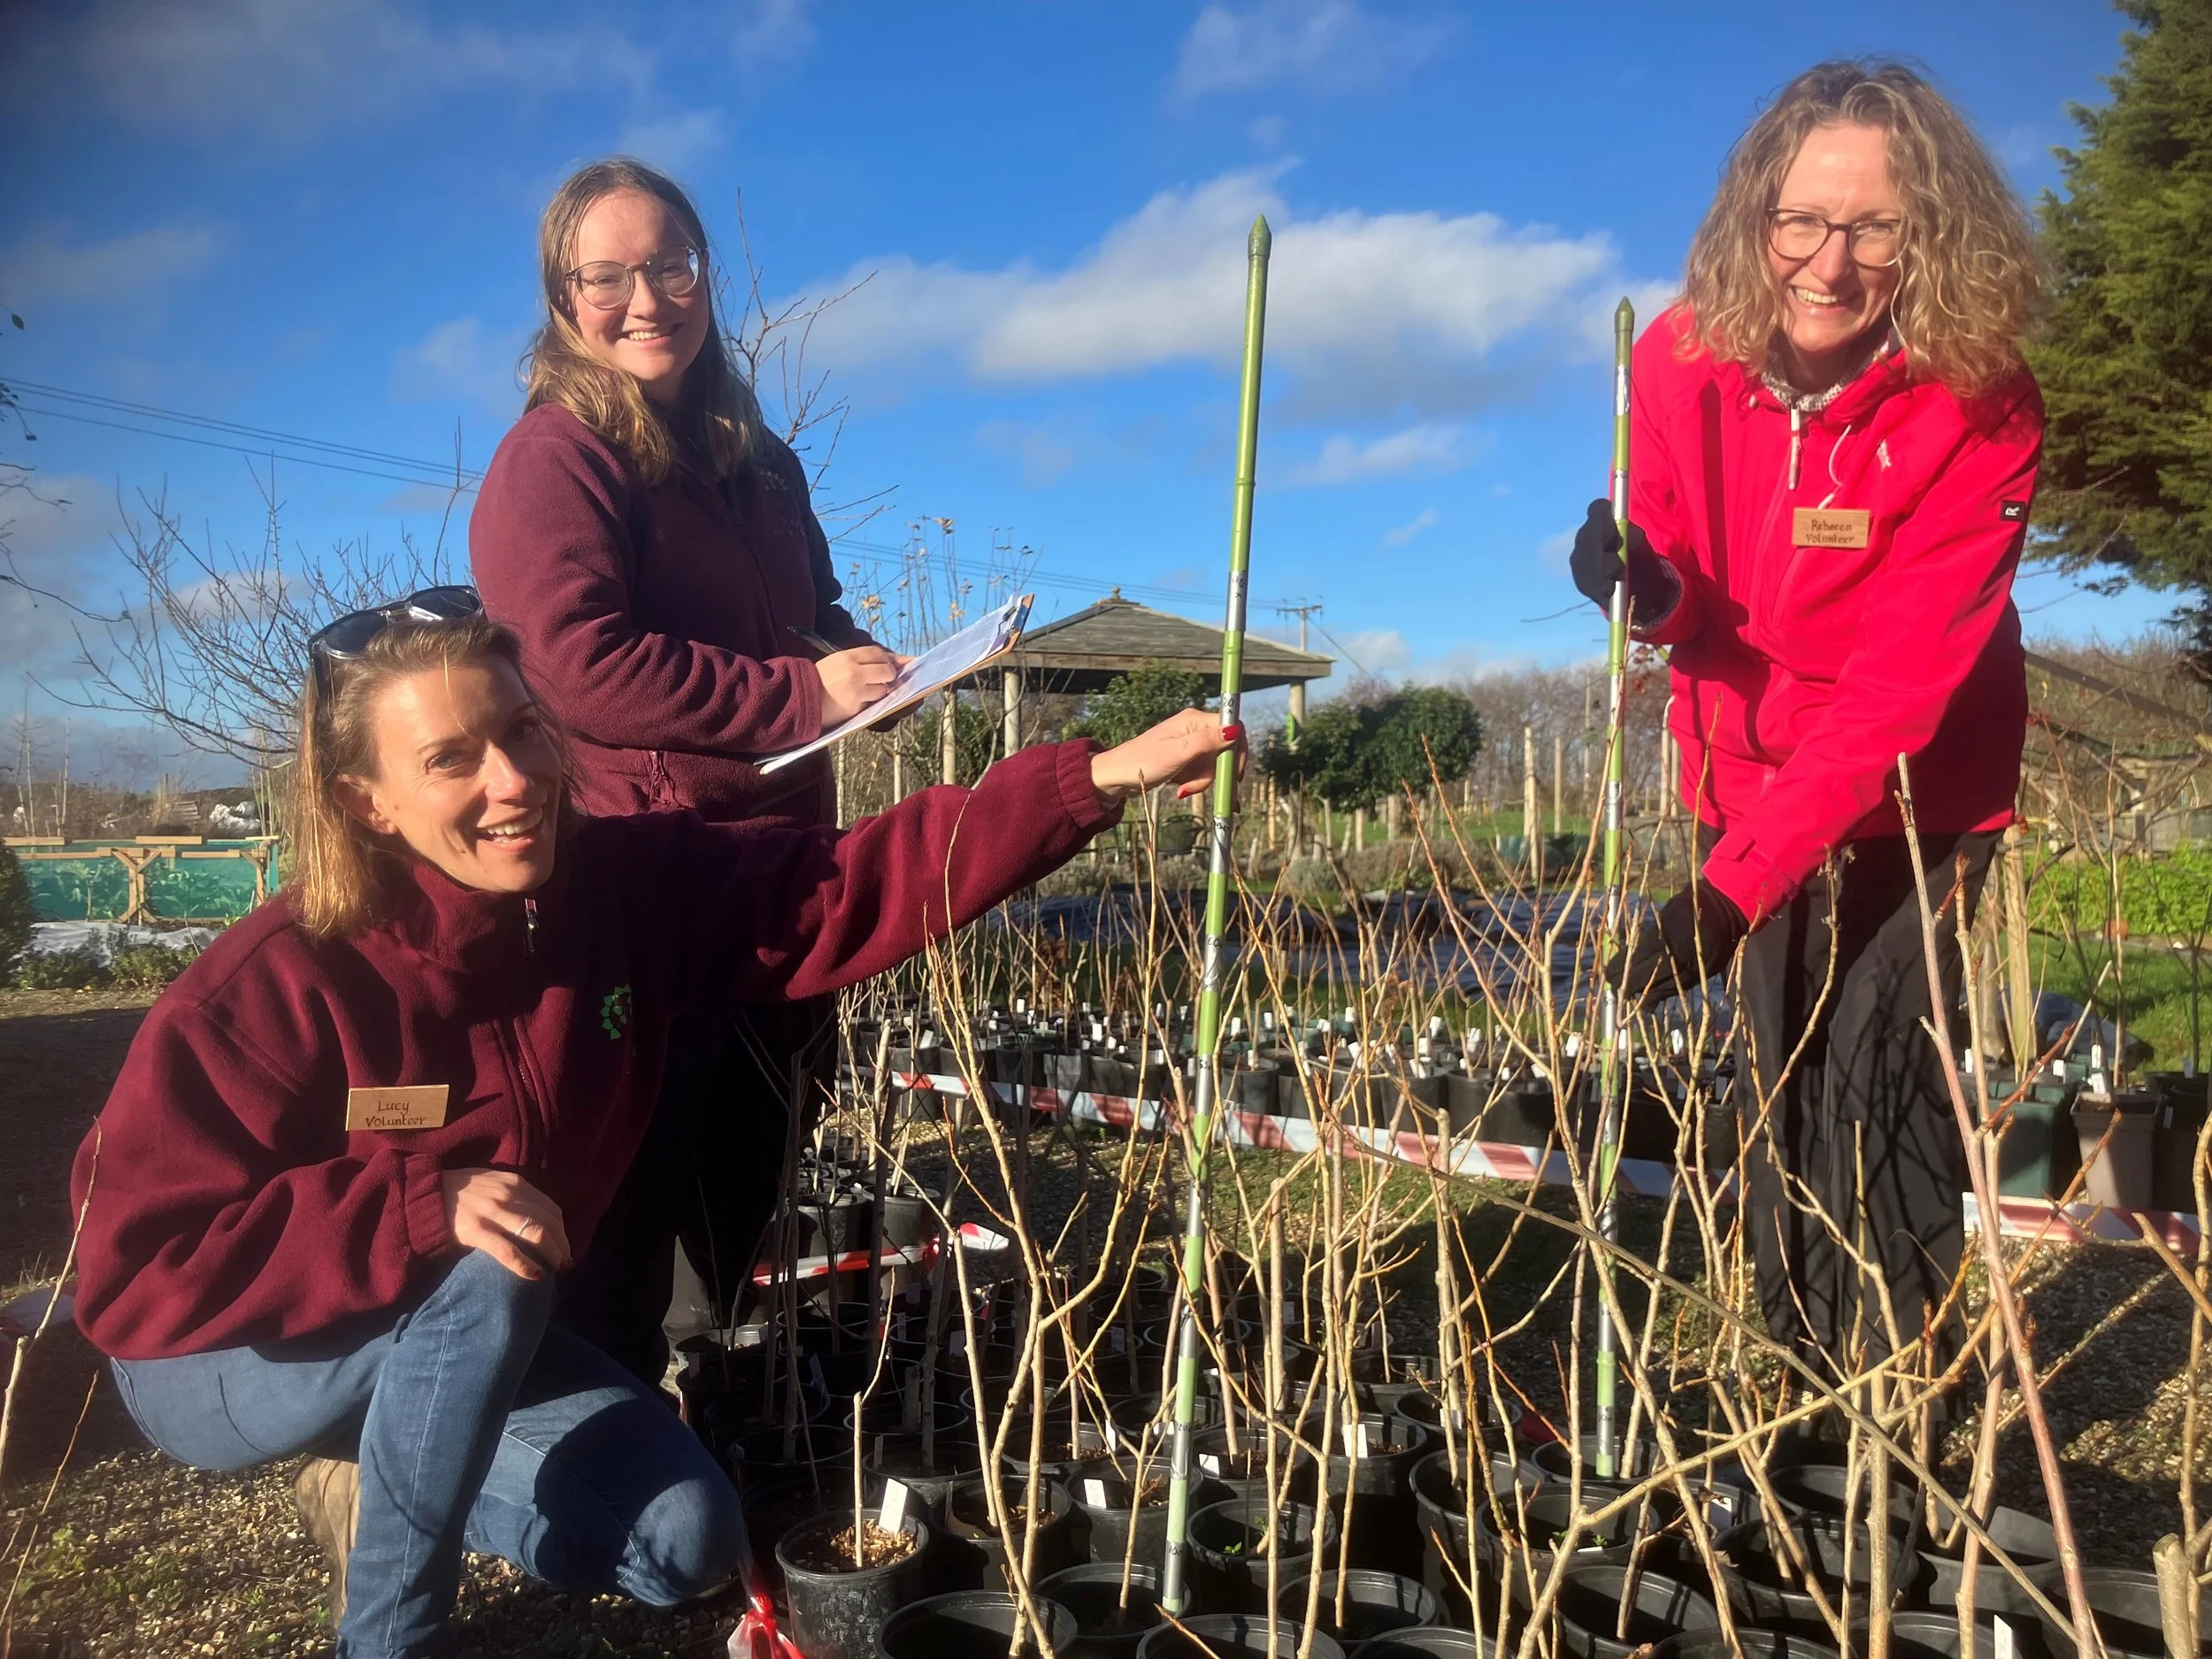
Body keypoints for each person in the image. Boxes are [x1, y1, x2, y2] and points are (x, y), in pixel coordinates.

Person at [67, 595, 1231, 1659]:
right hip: (216, 1349)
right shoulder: (273, 984)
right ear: (366, 800)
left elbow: (836, 884)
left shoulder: (616, 893)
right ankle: (390, 1636)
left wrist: (1102, 777)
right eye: (450, 759)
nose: (514, 779)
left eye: (522, 731)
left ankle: (393, 1448)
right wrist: (415, 1201)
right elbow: (136, 1270)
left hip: (449, 1331)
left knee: (687, 1539)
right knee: (481, 1262)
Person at [1571, 60, 2044, 1387]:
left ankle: (1892, 1391)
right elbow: (1676, 568)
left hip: (1919, 785)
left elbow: (1898, 690)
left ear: (1930, 233)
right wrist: (1648, 587)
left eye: (1875, 227)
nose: (1830, 263)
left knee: (1877, 1080)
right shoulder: (1675, 359)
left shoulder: (1981, 399)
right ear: (1754, 217)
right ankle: (1792, 1372)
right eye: (1801, 221)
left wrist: (1723, 894)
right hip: (1747, 771)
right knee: (1778, 1079)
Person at [468, 158, 908, 1387]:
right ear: (563, 296)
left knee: (755, 1149)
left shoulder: (759, 460)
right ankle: (596, 1435)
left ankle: (717, 1385)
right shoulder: (554, 462)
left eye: (671, 265)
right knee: (636, 1169)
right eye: (605, 275)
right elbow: (571, 664)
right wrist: (795, 693)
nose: (646, 297)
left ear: (705, 276)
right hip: (643, 887)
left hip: (780, 870)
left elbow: (809, 608)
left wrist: (861, 662)